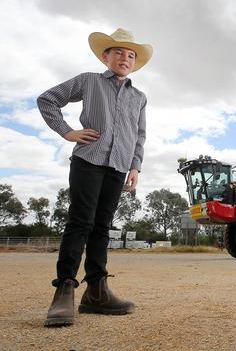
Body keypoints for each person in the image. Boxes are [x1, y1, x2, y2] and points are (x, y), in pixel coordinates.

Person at [38, 28, 153, 327]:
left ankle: (97, 292)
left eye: (130, 55)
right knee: (80, 222)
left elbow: (139, 135)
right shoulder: (88, 81)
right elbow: (48, 99)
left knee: (102, 227)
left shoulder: (139, 97)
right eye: (118, 52)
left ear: (134, 62)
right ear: (106, 56)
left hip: (118, 167)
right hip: (88, 160)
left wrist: (135, 167)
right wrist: (67, 131)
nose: (124, 58)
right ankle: (64, 289)